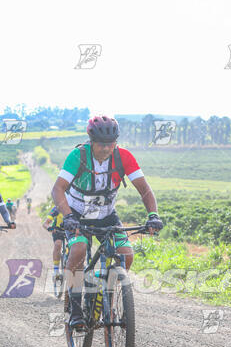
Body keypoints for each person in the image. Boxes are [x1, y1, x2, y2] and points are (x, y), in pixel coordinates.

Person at [51, 115, 163, 329]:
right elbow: (57, 189)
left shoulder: (123, 157)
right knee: (78, 250)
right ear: (91, 141)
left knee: (126, 255)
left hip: (107, 216)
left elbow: (144, 189)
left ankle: (106, 296)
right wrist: (67, 216)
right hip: (77, 215)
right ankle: (75, 309)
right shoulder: (78, 156)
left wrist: (153, 215)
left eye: (110, 143)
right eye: (101, 144)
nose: (106, 148)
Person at [42, 206, 65, 281]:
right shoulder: (57, 208)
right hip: (58, 230)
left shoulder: (75, 206)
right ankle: (56, 271)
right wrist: (49, 228)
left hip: (71, 231)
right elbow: (45, 223)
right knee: (58, 244)